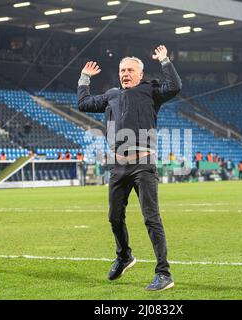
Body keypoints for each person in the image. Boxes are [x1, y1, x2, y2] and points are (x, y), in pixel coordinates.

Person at [77, 45, 181, 291]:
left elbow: (175, 87)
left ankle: (164, 273)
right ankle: (124, 257)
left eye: (130, 70)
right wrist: (84, 77)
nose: (125, 73)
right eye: (122, 70)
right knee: (114, 217)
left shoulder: (150, 91)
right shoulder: (112, 95)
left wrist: (165, 60)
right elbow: (83, 103)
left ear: (140, 74)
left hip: (143, 165)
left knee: (151, 218)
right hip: (117, 167)